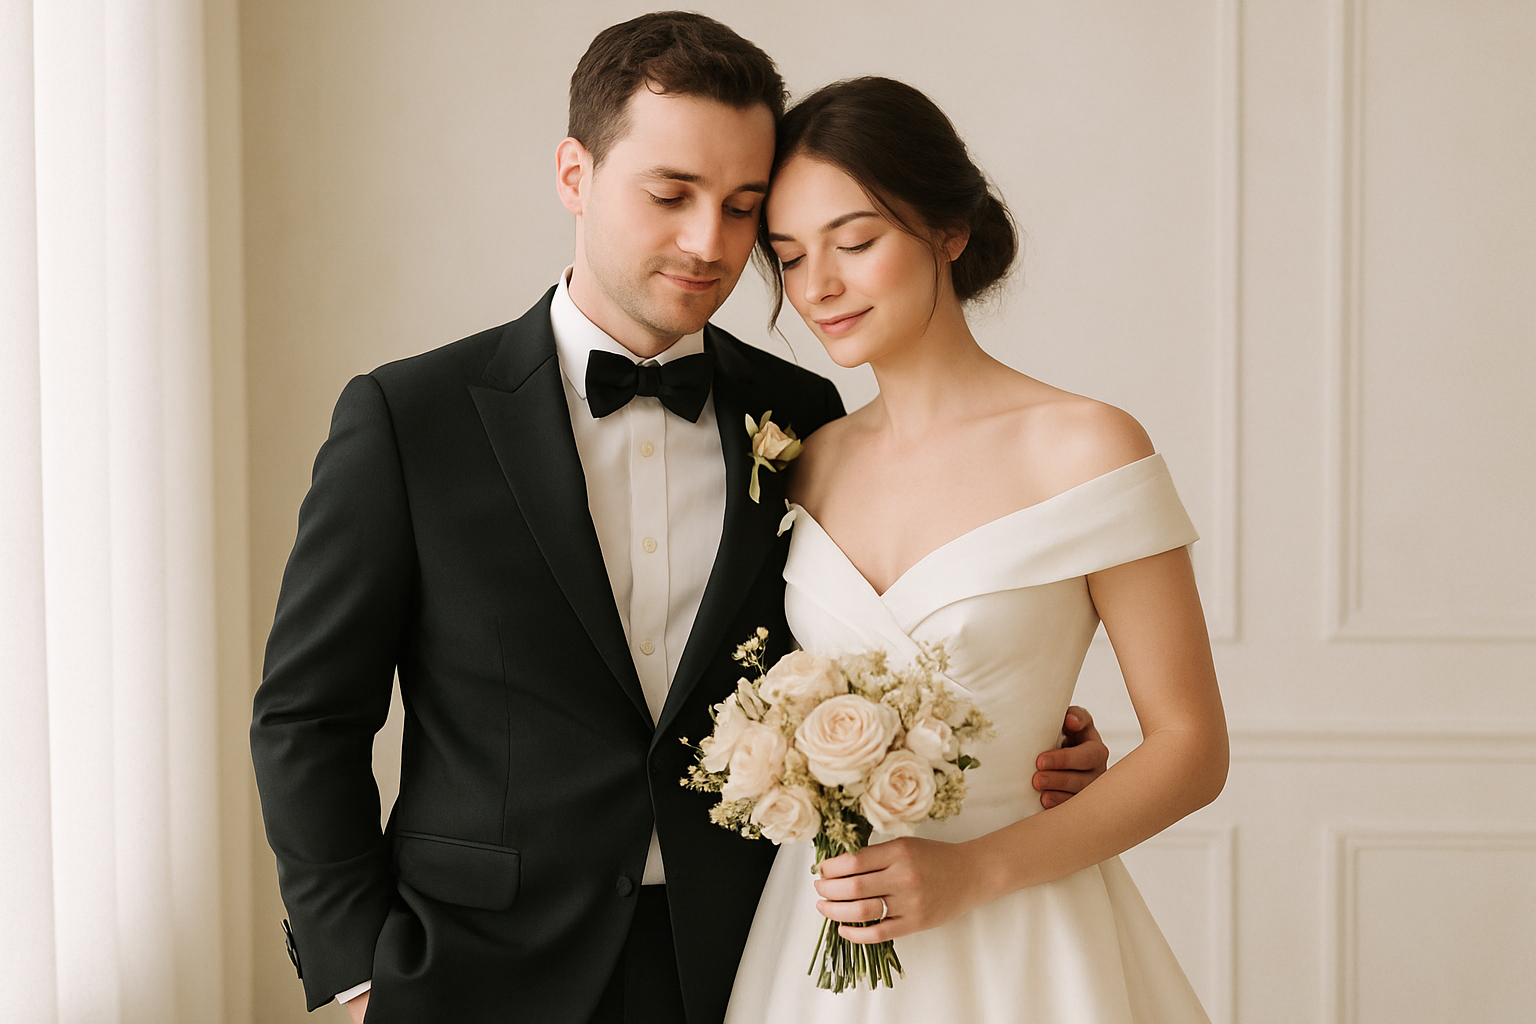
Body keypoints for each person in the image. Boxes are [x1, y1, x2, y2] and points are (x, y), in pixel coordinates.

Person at [250, 15, 1110, 1024]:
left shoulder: (805, 419)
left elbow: (854, 646)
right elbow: (308, 717)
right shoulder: (409, 419)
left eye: (743, 207)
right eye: (671, 195)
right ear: (575, 174)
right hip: (473, 973)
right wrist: (357, 973)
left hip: (746, 958)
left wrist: (1024, 733)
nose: (710, 244)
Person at [724, 77, 1229, 1023]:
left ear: (948, 230)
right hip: (821, 944)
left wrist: (974, 871)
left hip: (1026, 935)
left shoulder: (1086, 444)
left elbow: (1194, 749)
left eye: (857, 241)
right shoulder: (806, 459)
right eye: (790, 259)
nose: (819, 286)